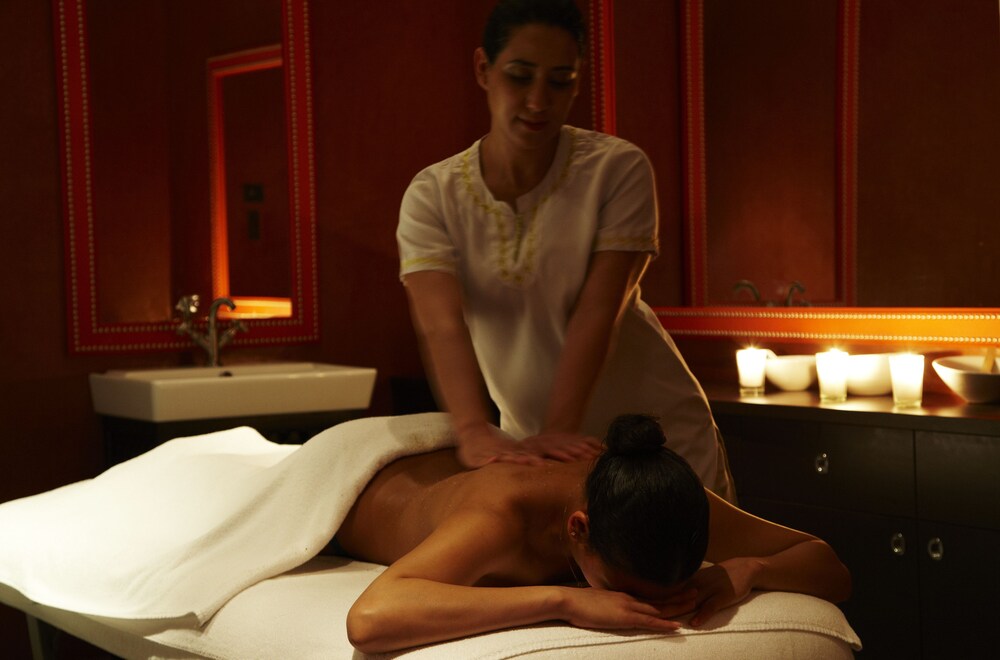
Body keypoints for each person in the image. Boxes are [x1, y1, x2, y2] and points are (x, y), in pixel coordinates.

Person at [397, 0, 734, 501]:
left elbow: (599, 311)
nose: (538, 100)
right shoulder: (433, 195)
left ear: (578, 82)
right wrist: (472, 430)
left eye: (560, 81)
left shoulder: (616, 170)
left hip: (657, 438)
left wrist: (560, 427)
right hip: (533, 443)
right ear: (484, 70)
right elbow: (441, 324)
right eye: (520, 76)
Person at [338, 414, 851, 654]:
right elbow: (371, 618)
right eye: (621, 590)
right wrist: (564, 601)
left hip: (464, 459)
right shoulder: (500, 517)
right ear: (578, 528)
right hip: (363, 469)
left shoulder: (658, 493)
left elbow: (828, 567)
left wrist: (749, 569)